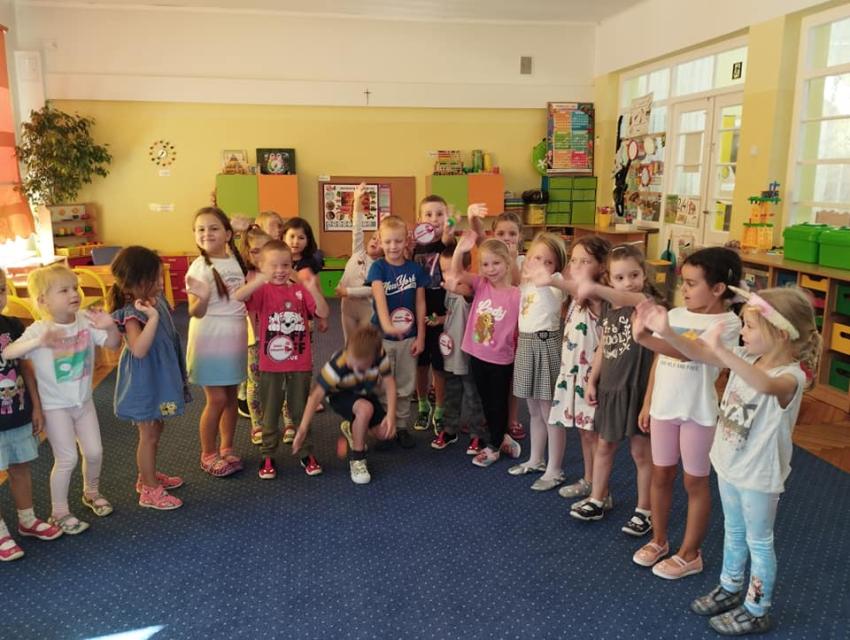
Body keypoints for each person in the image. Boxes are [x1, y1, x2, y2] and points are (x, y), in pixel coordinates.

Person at [639, 286, 819, 636]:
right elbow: (695, 352)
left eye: (750, 326)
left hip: (759, 475)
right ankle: (730, 586)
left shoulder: (792, 377)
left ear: (780, 334)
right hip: (729, 463)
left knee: (759, 542)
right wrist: (666, 332)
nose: (743, 331)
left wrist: (722, 350)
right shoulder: (747, 355)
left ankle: (757, 608)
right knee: (733, 532)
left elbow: (764, 385)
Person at [631, 247, 743, 579]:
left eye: (692, 283)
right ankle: (659, 540)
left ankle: (690, 553)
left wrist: (653, 335)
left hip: (698, 412)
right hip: (664, 408)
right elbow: (661, 359)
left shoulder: (728, 323)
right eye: (684, 282)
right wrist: (648, 401)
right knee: (661, 474)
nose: (685, 289)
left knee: (695, 481)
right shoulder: (677, 315)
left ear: (718, 288)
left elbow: (692, 354)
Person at [2, 264, 121, 534]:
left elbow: (113, 344)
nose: (74, 294)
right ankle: (59, 512)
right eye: (64, 290)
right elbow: (8, 352)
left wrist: (111, 327)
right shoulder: (39, 329)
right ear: (43, 300)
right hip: (56, 408)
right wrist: (38, 342)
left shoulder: (85, 320)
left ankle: (91, 492)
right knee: (67, 459)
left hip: (84, 402)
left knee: (95, 452)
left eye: (75, 287)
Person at [569, 244, 656, 535]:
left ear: (644, 274)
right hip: (611, 389)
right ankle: (597, 498)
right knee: (605, 445)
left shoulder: (645, 303)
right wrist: (592, 380)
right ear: (610, 278)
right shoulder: (610, 308)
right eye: (620, 277)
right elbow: (603, 346)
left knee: (641, 453)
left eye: (634, 275)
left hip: (637, 391)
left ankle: (644, 510)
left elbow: (627, 297)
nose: (628, 282)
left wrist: (593, 287)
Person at [233, 241, 329, 479]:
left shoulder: (299, 290)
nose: (280, 270)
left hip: (299, 363)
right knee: (271, 411)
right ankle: (267, 455)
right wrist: (260, 279)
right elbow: (238, 296)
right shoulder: (263, 290)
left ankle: (306, 452)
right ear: (262, 266)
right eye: (273, 266)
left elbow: (324, 312)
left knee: (300, 410)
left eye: (286, 265)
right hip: (270, 364)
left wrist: (312, 288)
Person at [110, 246, 189, 510]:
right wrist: (153, 318)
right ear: (137, 281)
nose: (160, 283)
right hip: (145, 381)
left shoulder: (154, 300)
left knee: (157, 426)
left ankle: (148, 475)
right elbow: (139, 349)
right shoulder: (132, 311)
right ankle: (149, 489)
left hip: (160, 376)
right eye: (154, 279)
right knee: (149, 434)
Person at [444, 231, 521, 467]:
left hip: (501, 359)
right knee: (485, 400)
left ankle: (494, 445)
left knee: (498, 401)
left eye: (496, 263)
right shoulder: (481, 284)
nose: (490, 269)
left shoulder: (516, 294)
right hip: (477, 354)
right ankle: (500, 436)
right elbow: (457, 275)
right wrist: (460, 250)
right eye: (485, 264)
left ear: (507, 263)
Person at [0, 269, 62, 560]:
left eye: (1, 289)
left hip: (17, 412)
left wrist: (36, 405)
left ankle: (27, 520)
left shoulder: (12, 325)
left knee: (20, 466)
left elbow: (26, 367)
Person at [185, 206, 249, 478]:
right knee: (217, 398)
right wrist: (202, 297)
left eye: (213, 228)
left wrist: (247, 228)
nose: (206, 233)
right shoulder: (198, 267)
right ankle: (208, 454)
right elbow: (195, 311)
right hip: (209, 337)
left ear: (227, 234)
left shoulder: (235, 258)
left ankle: (227, 447)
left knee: (231, 396)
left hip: (235, 335)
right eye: (200, 229)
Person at [546, 236, 611, 502]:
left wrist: (551, 279)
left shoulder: (597, 296)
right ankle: (589, 480)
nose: (577, 266)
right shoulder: (577, 297)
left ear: (601, 266)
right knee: (584, 432)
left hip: (591, 377)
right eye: (574, 260)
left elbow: (585, 290)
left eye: (586, 261)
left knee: (594, 435)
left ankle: (601, 492)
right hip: (573, 373)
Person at [292, 325, 397, 484]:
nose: (353, 367)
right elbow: (315, 395)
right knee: (365, 409)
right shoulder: (339, 363)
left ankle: (352, 427)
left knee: (385, 433)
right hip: (339, 395)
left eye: (359, 367)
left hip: (364, 392)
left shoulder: (380, 356)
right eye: (351, 362)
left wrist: (391, 415)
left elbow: (389, 383)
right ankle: (358, 460)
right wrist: (302, 429)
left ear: (373, 359)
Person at [506, 232, 568, 489]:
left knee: (549, 411)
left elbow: (554, 304)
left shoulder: (557, 282)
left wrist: (544, 278)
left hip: (545, 344)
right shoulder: (526, 282)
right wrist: (513, 258)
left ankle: (555, 469)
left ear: (557, 266)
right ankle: (536, 459)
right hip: (526, 344)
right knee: (533, 410)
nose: (540, 265)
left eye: (548, 261)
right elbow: (513, 276)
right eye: (535, 258)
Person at [366, 215, 427, 448]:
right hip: (382, 338)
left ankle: (400, 426)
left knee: (405, 384)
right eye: (388, 241)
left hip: (408, 338)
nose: (393, 246)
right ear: (380, 241)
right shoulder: (378, 267)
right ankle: (384, 426)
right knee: (382, 383)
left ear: (406, 241)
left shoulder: (415, 270)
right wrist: (387, 326)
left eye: (398, 241)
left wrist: (421, 336)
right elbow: (379, 299)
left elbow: (420, 304)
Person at [469, 208, 527, 440]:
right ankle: (493, 416)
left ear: (520, 236)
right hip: (493, 324)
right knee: (492, 378)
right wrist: (473, 217)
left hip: (515, 327)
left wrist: (511, 259)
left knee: (510, 378)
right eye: (501, 233)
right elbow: (479, 235)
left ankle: (511, 418)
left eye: (512, 234)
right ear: (493, 234)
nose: (506, 238)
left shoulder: (521, 260)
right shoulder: (491, 253)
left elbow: (518, 283)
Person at [429, 242, 487, 452]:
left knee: (472, 395)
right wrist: (441, 319)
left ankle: (477, 435)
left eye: (453, 270)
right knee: (451, 393)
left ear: (467, 269)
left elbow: (468, 298)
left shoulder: (468, 290)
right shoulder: (449, 291)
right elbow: (452, 313)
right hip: (451, 352)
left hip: (468, 353)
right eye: (444, 271)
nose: (448, 276)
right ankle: (450, 430)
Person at [411, 194, 454, 435]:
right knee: (420, 364)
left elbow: (447, 237)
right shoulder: (415, 247)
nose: (434, 219)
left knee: (439, 365)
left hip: (442, 315)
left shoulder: (448, 244)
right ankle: (423, 405)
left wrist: (451, 225)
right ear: (419, 219)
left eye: (440, 214)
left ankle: (439, 409)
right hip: (418, 314)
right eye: (428, 214)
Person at [236, 225, 272, 443]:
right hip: (255, 337)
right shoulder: (246, 276)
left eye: (265, 249)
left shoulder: (279, 272)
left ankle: (286, 422)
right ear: (247, 253)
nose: (260, 255)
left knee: (281, 381)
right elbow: (240, 297)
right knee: (255, 382)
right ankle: (257, 425)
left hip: (277, 336)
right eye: (255, 251)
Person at [336, 182, 382, 343]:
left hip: (366, 309)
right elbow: (357, 228)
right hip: (347, 308)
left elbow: (372, 290)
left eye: (381, 241)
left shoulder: (381, 266)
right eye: (374, 238)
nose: (375, 241)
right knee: (349, 343)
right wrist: (357, 202)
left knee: (364, 345)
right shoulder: (358, 251)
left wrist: (348, 291)